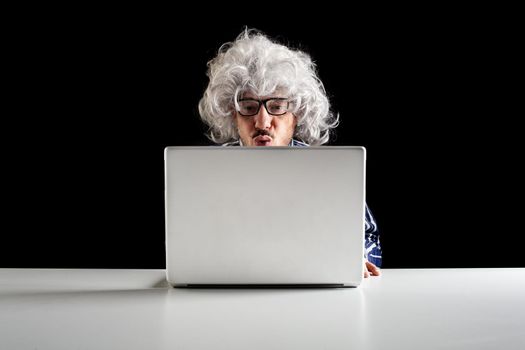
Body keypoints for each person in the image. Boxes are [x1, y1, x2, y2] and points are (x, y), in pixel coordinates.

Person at [198, 28, 382, 278]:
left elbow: (367, 235)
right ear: (233, 116)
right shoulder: (207, 171)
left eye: (276, 107)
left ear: (297, 115)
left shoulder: (327, 171)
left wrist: (357, 259)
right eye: (249, 107)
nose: (262, 122)